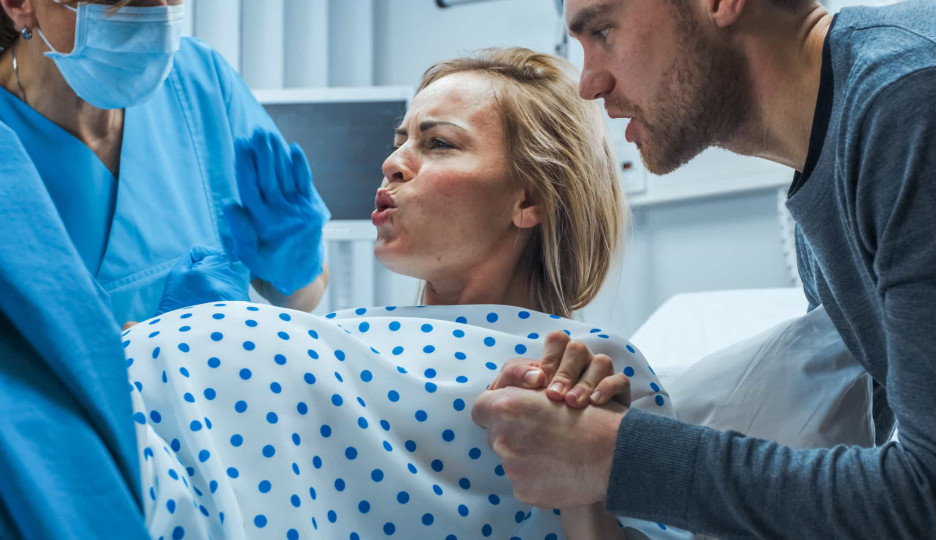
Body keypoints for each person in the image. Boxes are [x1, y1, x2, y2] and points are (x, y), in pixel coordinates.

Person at [121, 48, 688, 539]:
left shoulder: (596, 371)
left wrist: (584, 473)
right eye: (399, 142)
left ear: (528, 200)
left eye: (438, 143)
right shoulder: (345, 336)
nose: (393, 162)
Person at [472, 0, 936, 537]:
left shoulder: (913, 98)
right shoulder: (825, 180)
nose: (589, 84)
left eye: (604, 31)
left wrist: (618, 455)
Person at [0, 0, 330, 325]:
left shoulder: (200, 79)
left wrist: (295, 269)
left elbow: (304, 295)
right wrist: (152, 352)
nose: (157, 12)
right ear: (19, 4)